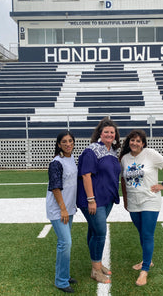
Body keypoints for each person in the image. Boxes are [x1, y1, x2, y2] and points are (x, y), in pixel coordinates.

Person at [120, 129, 163, 286]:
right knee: (141, 233)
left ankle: (144, 270)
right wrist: (125, 200)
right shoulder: (124, 159)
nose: (135, 143)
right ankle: (147, 260)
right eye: (132, 140)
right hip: (133, 201)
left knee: (147, 234)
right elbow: (123, 181)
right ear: (128, 142)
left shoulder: (150, 153)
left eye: (138, 141)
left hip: (150, 200)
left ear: (143, 143)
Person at [77, 117, 121, 284]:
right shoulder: (92, 150)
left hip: (107, 198)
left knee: (94, 230)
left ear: (115, 134)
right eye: (106, 132)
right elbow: (86, 175)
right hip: (93, 200)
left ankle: (97, 263)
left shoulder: (112, 151)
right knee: (100, 233)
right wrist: (91, 200)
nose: (109, 134)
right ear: (100, 133)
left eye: (112, 132)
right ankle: (95, 270)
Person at [46, 130, 78, 293]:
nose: (68, 144)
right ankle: (60, 280)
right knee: (65, 243)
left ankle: (64, 275)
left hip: (68, 209)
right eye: (64, 142)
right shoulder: (56, 162)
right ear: (58, 144)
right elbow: (55, 187)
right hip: (59, 210)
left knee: (65, 243)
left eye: (70, 141)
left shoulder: (71, 159)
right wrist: (63, 209)